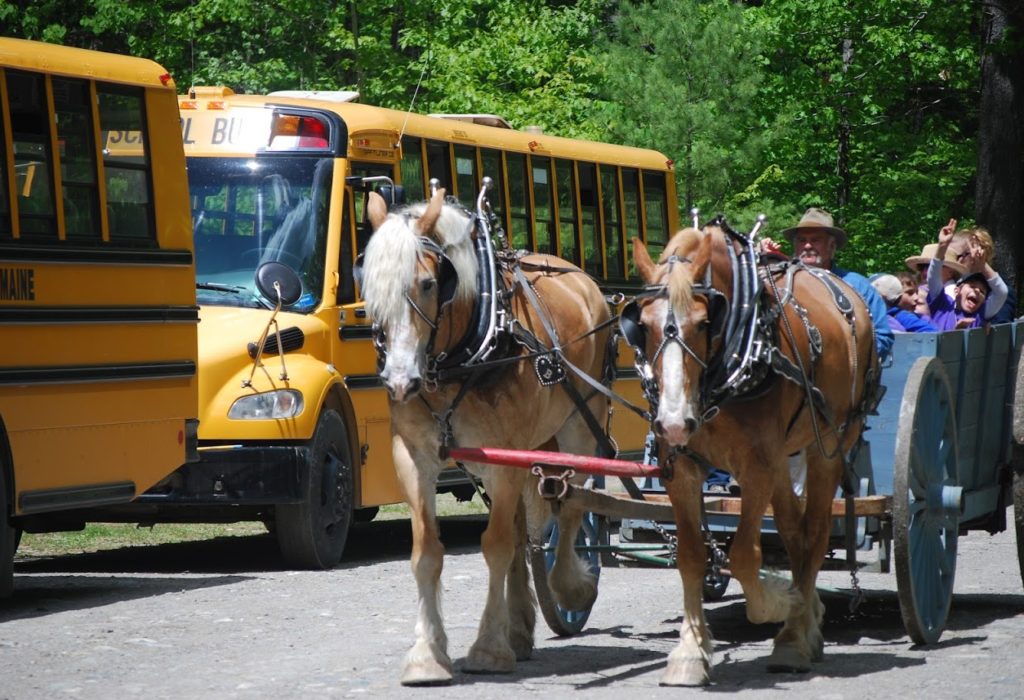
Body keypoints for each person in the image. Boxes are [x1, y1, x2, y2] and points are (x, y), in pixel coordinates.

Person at [780, 207, 894, 361]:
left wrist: (848, 362)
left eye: (815, 240)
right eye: (802, 240)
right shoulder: (784, 286)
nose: (807, 246)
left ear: (832, 245)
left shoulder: (857, 286)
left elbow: (882, 336)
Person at [927, 220, 1007, 330]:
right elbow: (933, 275)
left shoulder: (979, 315)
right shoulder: (942, 303)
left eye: (983, 291)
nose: (977, 291)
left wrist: (982, 264)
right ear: (957, 290)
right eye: (972, 286)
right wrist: (942, 246)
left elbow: (1002, 292)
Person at [870, 273, 936, 332]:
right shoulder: (884, 320)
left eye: (916, 292)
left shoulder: (924, 319)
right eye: (910, 293)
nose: (916, 298)